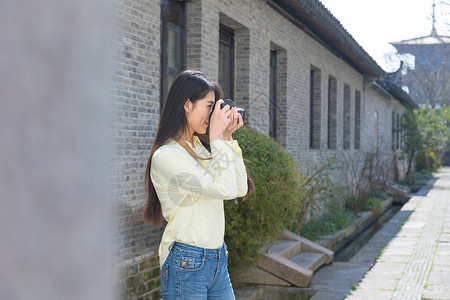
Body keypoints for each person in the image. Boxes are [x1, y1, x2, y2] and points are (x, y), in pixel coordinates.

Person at [142, 70, 253, 299]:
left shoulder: (198, 148)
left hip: (217, 259)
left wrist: (227, 138)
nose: (213, 115)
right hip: (186, 262)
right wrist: (215, 137)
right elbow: (225, 189)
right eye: (209, 106)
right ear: (187, 105)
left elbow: (239, 187)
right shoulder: (166, 156)